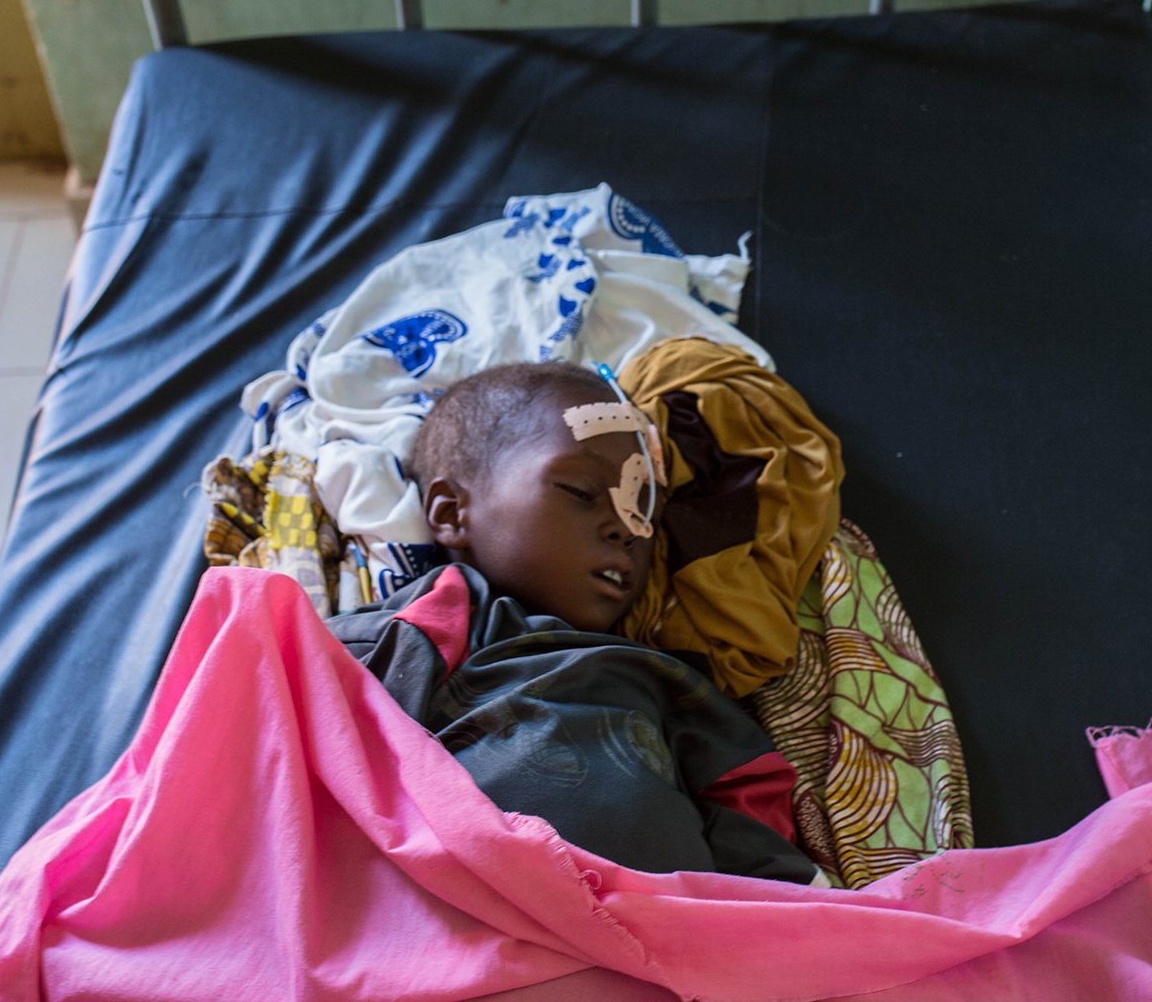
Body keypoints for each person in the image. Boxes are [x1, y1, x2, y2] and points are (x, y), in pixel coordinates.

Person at [324, 361, 823, 884]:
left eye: (640, 512)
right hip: (475, 913)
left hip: (656, 941)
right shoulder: (435, 622)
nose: (624, 530)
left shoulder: (665, 677)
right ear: (451, 513)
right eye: (582, 492)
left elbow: (753, 821)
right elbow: (324, 719)